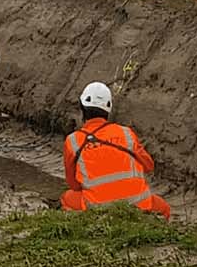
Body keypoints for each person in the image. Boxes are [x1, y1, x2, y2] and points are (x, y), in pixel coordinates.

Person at [61, 81, 171, 218]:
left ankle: (85, 225)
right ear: (108, 110)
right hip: (138, 204)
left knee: (67, 198)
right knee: (164, 208)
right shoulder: (126, 133)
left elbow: (74, 185)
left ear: (82, 108)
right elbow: (149, 166)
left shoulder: (73, 141)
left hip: (97, 208)